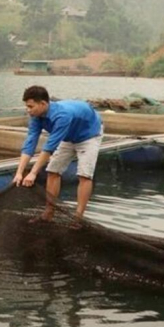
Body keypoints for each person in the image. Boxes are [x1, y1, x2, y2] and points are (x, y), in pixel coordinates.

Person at [13, 85, 103, 226]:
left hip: (88, 135)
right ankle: (48, 213)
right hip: (68, 136)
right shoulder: (36, 116)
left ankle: (77, 218)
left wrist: (33, 173)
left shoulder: (62, 115)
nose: (28, 110)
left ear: (43, 104)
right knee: (53, 171)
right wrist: (19, 172)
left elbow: (49, 147)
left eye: (31, 106)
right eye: (27, 106)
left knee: (84, 175)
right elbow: (30, 143)